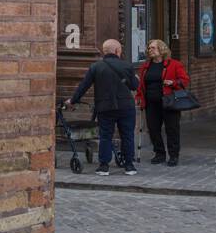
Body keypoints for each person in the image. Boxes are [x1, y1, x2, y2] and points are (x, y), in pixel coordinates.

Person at [67, 38, 139, 175]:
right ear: (118, 51)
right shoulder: (127, 66)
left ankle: (104, 166)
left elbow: (84, 86)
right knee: (127, 135)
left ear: (104, 51)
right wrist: (136, 79)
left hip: (105, 107)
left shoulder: (95, 67)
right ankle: (129, 166)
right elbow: (134, 86)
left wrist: (73, 100)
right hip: (126, 107)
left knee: (105, 136)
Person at [136, 39, 190, 167]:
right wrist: (139, 97)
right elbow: (141, 85)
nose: (150, 50)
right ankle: (159, 153)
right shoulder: (146, 66)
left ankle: (173, 155)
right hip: (151, 102)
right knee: (153, 129)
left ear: (162, 49)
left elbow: (185, 80)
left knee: (172, 129)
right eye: (149, 48)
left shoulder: (174, 64)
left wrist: (173, 83)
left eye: (153, 48)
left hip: (169, 102)